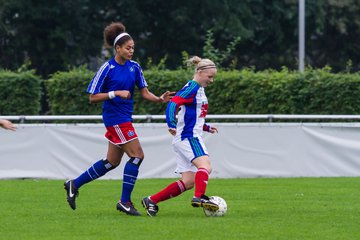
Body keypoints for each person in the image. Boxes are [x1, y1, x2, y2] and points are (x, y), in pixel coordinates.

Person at [64, 22, 174, 216]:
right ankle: (125, 201)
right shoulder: (107, 68)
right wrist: (114, 93)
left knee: (111, 162)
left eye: (133, 48)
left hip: (124, 119)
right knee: (137, 155)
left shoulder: (135, 67)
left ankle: (74, 184)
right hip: (115, 119)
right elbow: (92, 97)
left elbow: (144, 92)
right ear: (118, 48)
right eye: (128, 48)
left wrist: (159, 99)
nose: (131, 51)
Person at [141, 56, 219, 217]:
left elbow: (192, 116)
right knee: (206, 166)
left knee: (189, 181)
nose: (212, 80)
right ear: (199, 72)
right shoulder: (192, 87)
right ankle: (199, 197)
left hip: (184, 137)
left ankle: (151, 200)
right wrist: (170, 123)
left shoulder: (199, 89)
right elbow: (172, 104)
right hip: (189, 137)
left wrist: (206, 127)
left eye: (213, 77)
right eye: (209, 77)